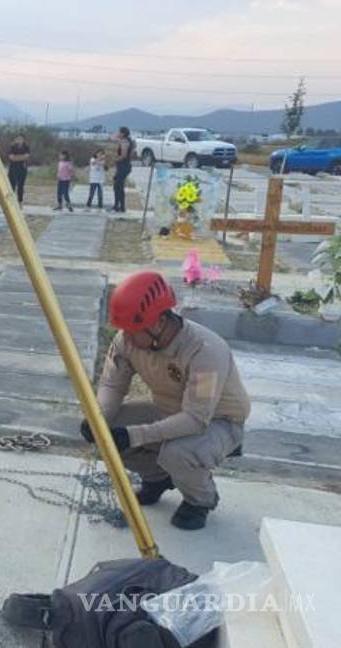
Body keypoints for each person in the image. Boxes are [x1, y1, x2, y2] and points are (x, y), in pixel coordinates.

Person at [81, 270, 250, 531]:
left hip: (218, 422)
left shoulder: (204, 350)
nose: (126, 337)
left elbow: (195, 419)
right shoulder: (128, 340)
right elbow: (112, 385)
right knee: (106, 433)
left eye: (133, 330)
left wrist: (134, 435)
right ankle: (156, 478)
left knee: (178, 452)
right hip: (168, 410)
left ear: (158, 322)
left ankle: (201, 501)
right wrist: (98, 417)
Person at [111, 126, 135, 213]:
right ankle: (120, 206)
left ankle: (118, 206)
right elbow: (112, 138)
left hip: (123, 166)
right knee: (119, 186)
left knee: (117, 186)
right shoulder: (126, 140)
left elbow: (123, 156)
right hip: (125, 166)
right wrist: (117, 136)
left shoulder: (125, 142)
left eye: (119, 132)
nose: (118, 133)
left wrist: (114, 160)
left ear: (123, 133)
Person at [6, 135, 30, 203]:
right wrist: (20, 157)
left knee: (21, 186)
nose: (19, 140)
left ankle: (20, 201)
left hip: (22, 168)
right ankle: (11, 201)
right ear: (15, 140)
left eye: (20, 139)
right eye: (17, 139)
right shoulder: (12, 147)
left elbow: (26, 157)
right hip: (13, 168)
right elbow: (11, 157)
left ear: (23, 140)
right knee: (11, 185)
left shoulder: (26, 147)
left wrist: (16, 157)